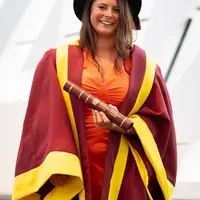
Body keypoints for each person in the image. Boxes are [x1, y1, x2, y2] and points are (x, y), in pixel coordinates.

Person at [12, 0, 177, 199]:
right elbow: (42, 119)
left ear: (125, 16)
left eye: (116, 10)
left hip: (125, 171)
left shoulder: (146, 68)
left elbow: (160, 123)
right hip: (74, 170)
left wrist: (126, 125)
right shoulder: (58, 60)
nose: (108, 14)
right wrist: (59, 163)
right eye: (102, 6)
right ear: (89, 10)